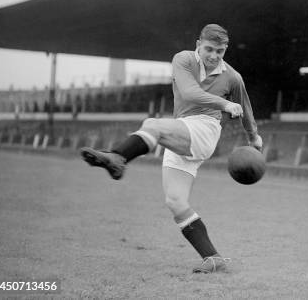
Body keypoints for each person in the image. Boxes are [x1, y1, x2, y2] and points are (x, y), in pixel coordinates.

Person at [80, 23, 262, 274]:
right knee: (176, 201)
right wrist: (224, 103)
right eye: (209, 49)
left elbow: (247, 111)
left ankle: (117, 158)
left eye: (220, 51)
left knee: (153, 125)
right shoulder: (183, 60)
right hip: (182, 128)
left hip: (205, 129)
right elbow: (189, 93)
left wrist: (254, 139)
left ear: (225, 50)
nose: (213, 56)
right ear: (198, 45)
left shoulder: (233, 77)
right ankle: (213, 258)